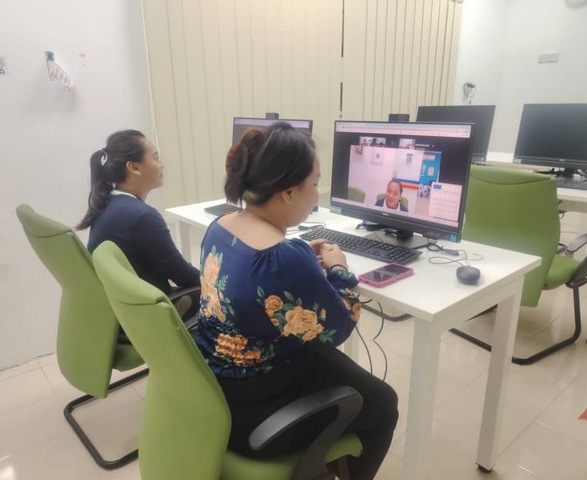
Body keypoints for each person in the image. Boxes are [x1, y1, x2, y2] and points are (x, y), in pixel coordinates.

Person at [194, 122, 398, 479]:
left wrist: (302, 259)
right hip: (256, 413)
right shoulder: (283, 258)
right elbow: (340, 326)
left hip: (215, 388)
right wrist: (339, 269)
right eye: (315, 184)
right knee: (384, 404)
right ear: (288, 192)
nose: (318, 196)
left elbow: (257, 284)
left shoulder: (221, 226)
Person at [77, 129, 200, 294]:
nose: (161, 165)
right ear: (134, 167)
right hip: (156, 305)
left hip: (124, 303)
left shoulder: (108, 203)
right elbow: (183, 275)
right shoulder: (142, 217)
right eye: (156, 157)